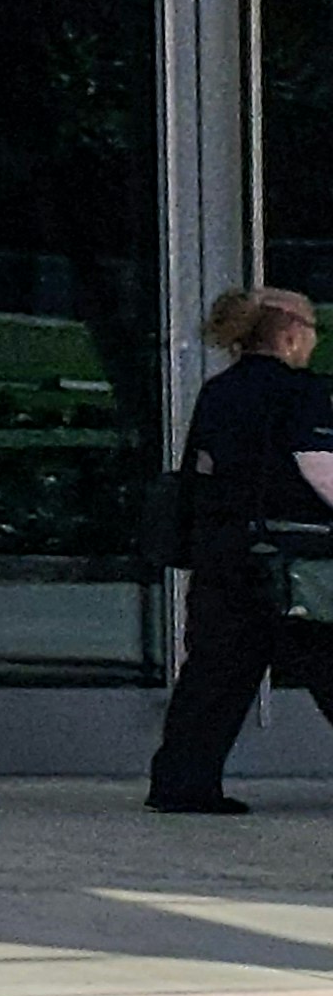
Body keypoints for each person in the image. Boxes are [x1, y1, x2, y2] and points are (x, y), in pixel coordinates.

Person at [152, 292, 333, 812]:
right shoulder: (303, 392)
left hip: (222, 552)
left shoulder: (220, 391)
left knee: (215, 673)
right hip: (293, 560)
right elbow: (319, 467)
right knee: (325, 658)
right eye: (313, 329)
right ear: (291, 334)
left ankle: (182, 783)